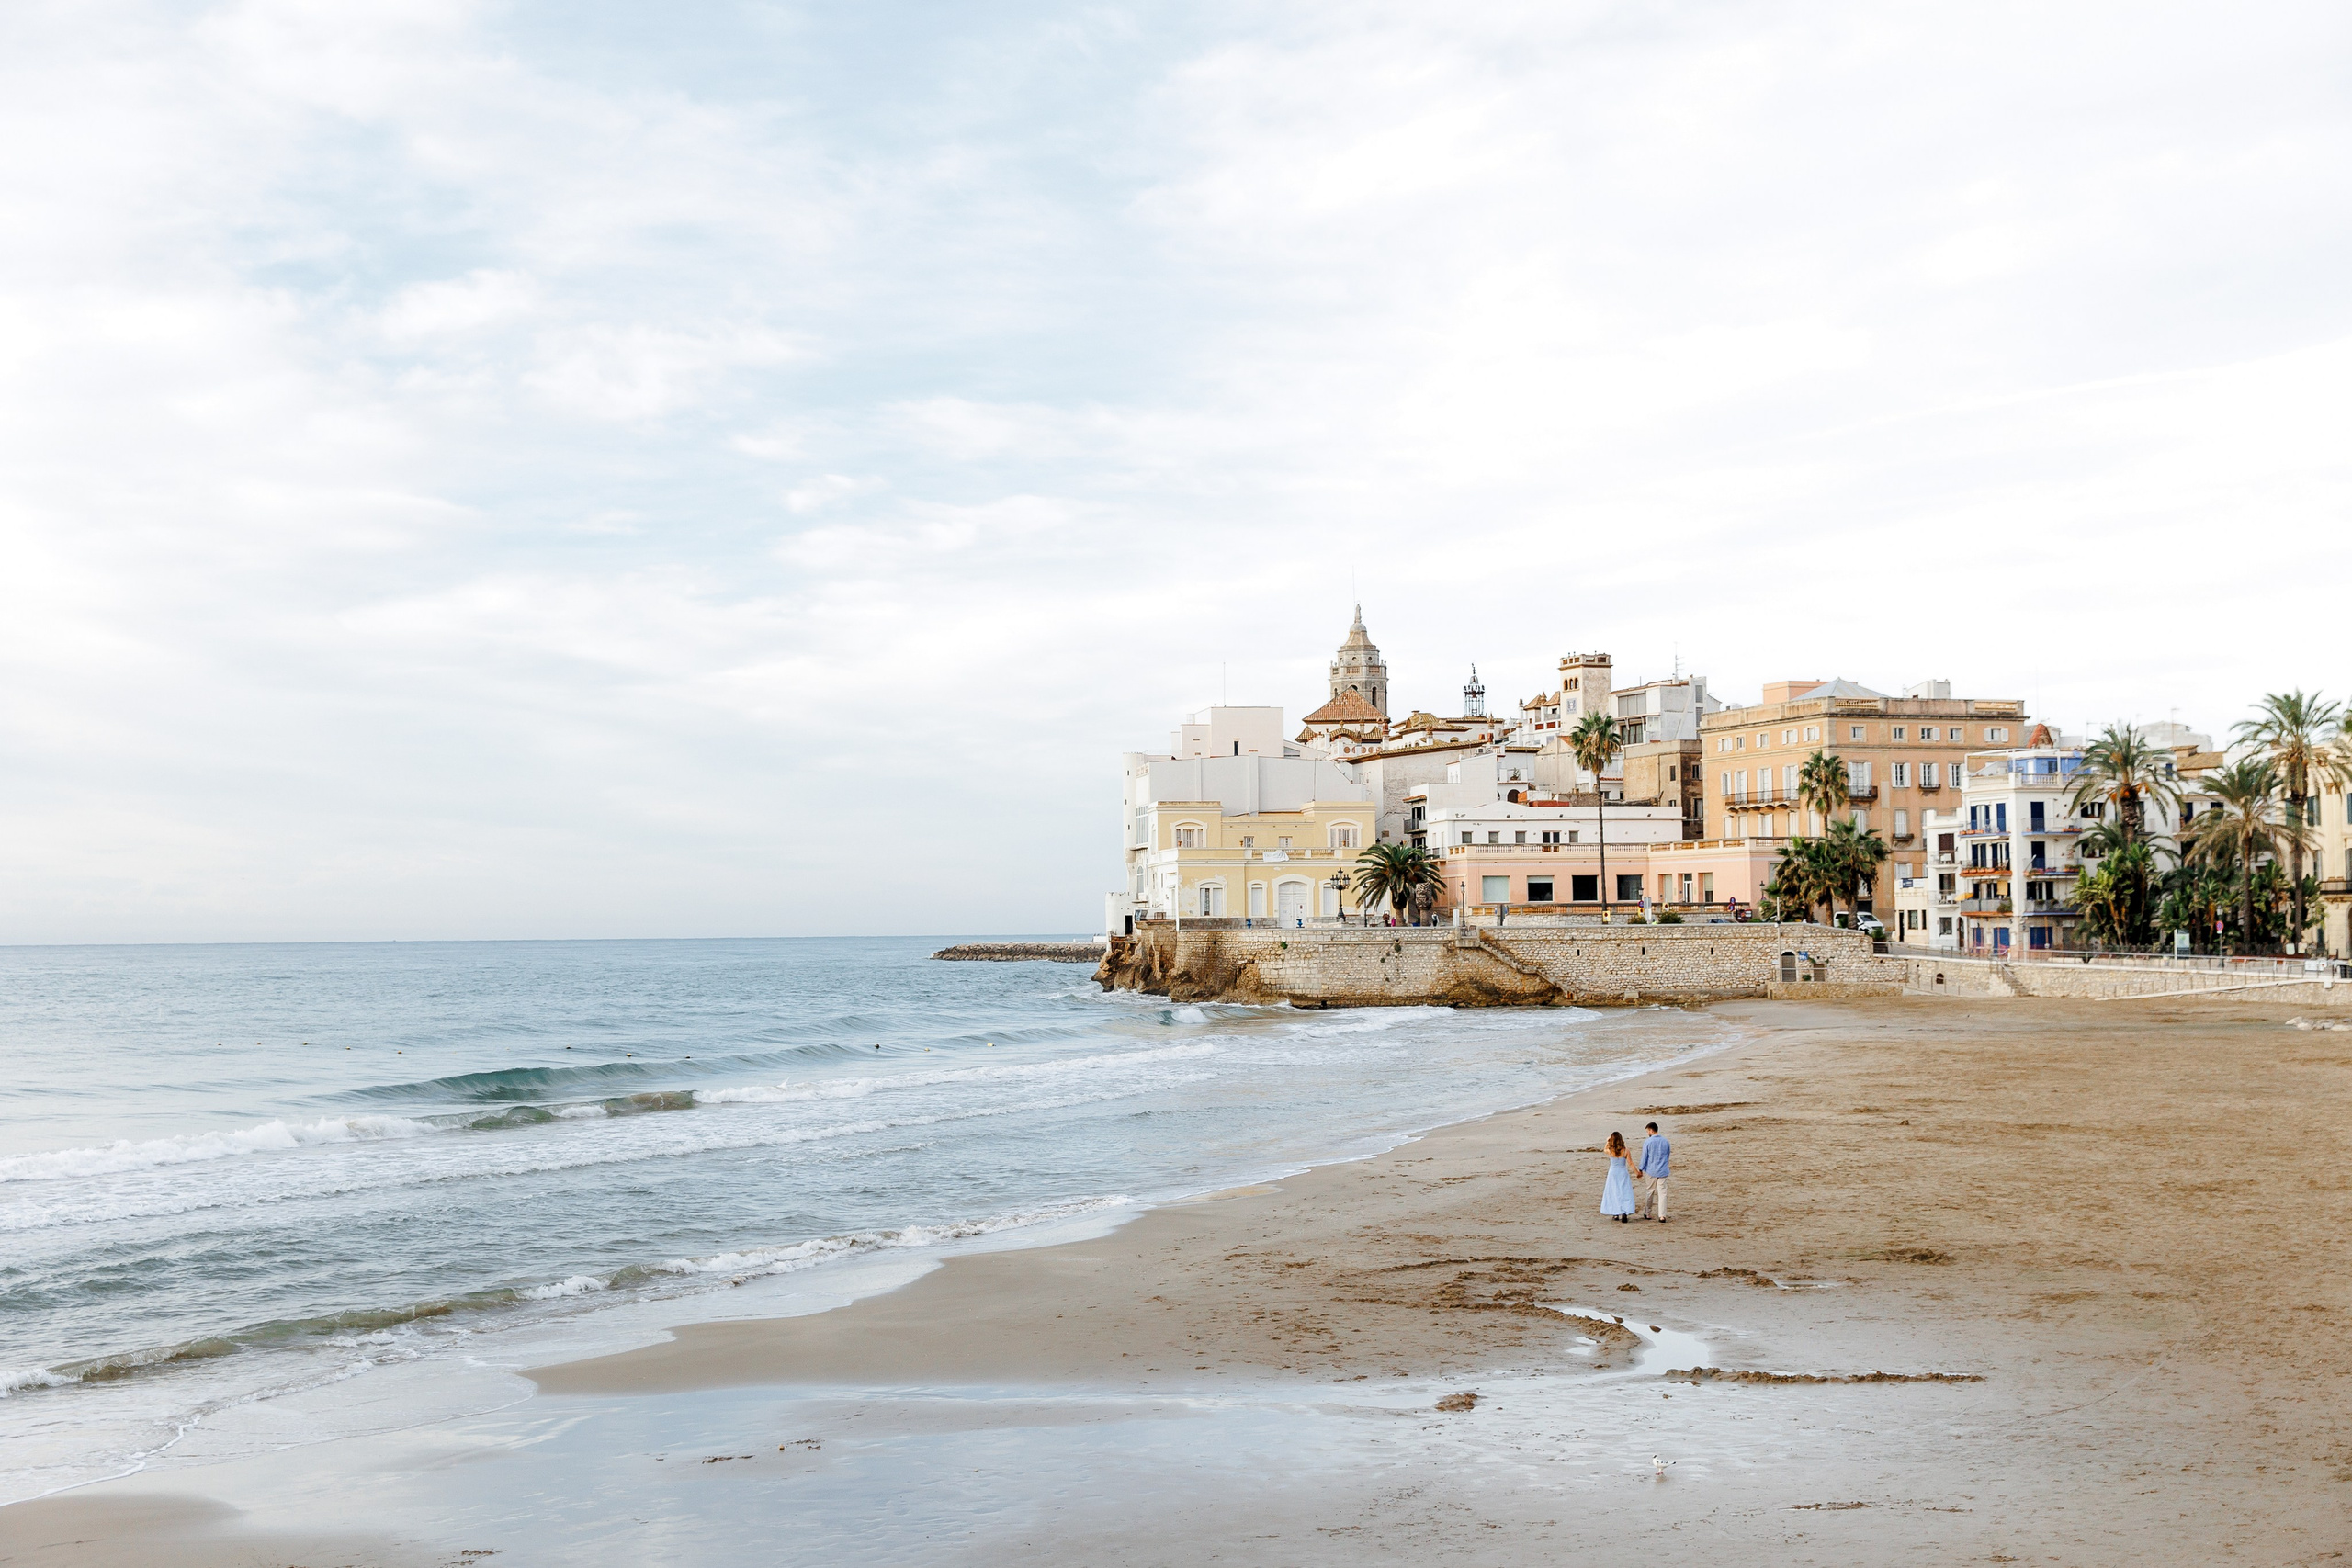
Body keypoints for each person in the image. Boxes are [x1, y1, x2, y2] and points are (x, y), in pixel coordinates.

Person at [1636, 1121, 1671, 1222]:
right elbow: (1667, 1156)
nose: (1648, 1133)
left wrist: (1640, 1169)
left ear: (1651, 1130)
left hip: (1651, 1170)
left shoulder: (1648, 1142)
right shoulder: (1665, 1141)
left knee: (1650, 1191)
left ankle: (1648, 1212)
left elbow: (1644, 1157)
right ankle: (1662, 1215)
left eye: (1648, 1131)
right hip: (1663, 1170)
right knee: (1663, 1193)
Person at [1601, 1131, 1636, 1222]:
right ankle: (1625, 1211)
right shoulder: (1625, 1150)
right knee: (1624, 1191)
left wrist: (1607, 1141)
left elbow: (1604, 1150)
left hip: (1613, 1172)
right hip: (1622, 1171)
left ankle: (1615, 1213)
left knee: (1614, 1191)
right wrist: (1637, 1172)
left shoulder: (1611, 1150)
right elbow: (1630, 1163)